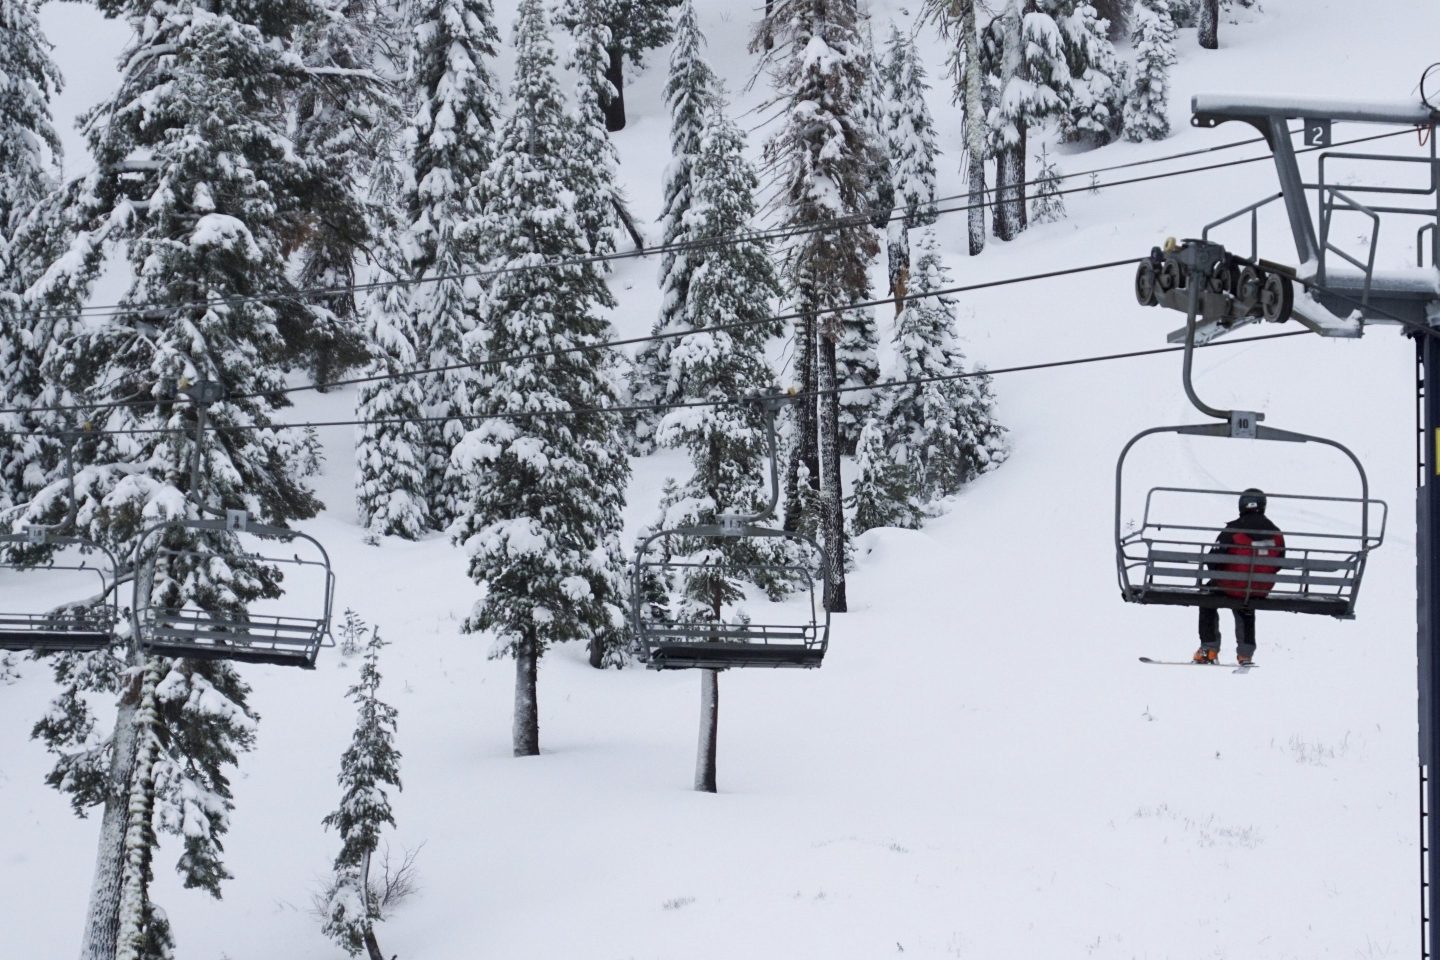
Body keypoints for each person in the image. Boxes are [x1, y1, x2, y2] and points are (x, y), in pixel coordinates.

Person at [1192, 488, 1286, 666]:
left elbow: (1213, 561)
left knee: (1207, 596)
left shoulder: (1233, 530)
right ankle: (1245, 654)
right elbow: (1279, 563)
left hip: (1231, 585)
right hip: (1259, 589)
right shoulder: (1276, 533)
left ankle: (1209, 649)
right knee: (1247, 602)